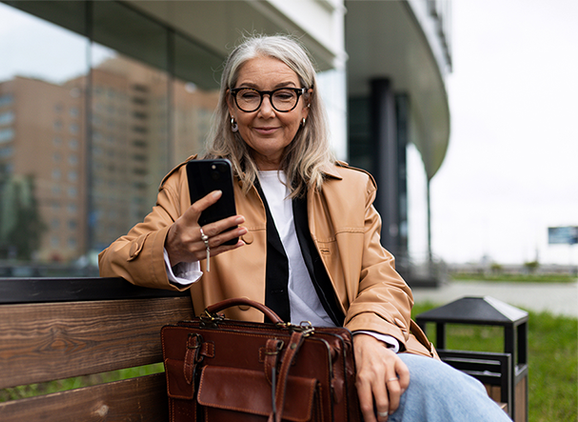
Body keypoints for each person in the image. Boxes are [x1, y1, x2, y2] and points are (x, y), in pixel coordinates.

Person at [99, 34, 510, 422]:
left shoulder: (349, 187)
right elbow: (114, 260)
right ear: (231, 104)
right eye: (249, 95)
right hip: (253, 374)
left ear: (305, 104)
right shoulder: (191, 187)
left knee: (449, 394)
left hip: (347, 354)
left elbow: (382, 279)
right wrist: (173, 248)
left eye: (283, 95)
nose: (266, 110)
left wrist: (369, 336)